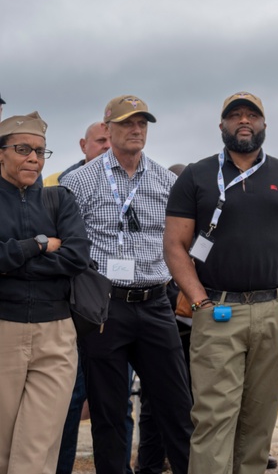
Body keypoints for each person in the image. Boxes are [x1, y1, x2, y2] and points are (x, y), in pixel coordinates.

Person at [163, 91, 278, 474]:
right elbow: (174, 245)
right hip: (218, 310)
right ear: (221, 125)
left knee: (259, 422)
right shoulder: (196, 175)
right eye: (234, 115)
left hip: (276, 312)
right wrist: (200, 303)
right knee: (214, 420)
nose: (243, 121)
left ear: (264, 124)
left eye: (251, 115)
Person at [62, 96, 194, 474]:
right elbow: (71, 247)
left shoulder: (168, 182)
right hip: (104, 307)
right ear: (107, 129)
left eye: (142, 123)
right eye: (126, 123)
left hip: (155, 303)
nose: (136, 130)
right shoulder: (79, 181)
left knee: (177, 409)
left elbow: (182, 240)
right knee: (108, 413)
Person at [0, 112, 90, 474]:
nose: (34, 158)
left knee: (37, 451)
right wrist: (37, 246)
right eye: (23, 149)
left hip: (56, 335)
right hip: (4, 330)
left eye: (40, 151)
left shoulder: (60, 200)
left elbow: (77, 256)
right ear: (1, 153)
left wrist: (11, 259)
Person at [53, 119, 114, 474]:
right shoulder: (62, 187)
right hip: (73, 310)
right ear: (83, 145)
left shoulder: (128, 183)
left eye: (111, 141)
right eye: (100, 141)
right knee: (69, 401)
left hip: (117, 306)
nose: (107, 147)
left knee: (114, 403)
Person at [44, 121, 111, 186]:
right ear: (83, 145)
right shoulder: (51, 184)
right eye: (101, 140)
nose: (108, 146)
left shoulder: (121, 183)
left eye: (113, 141)